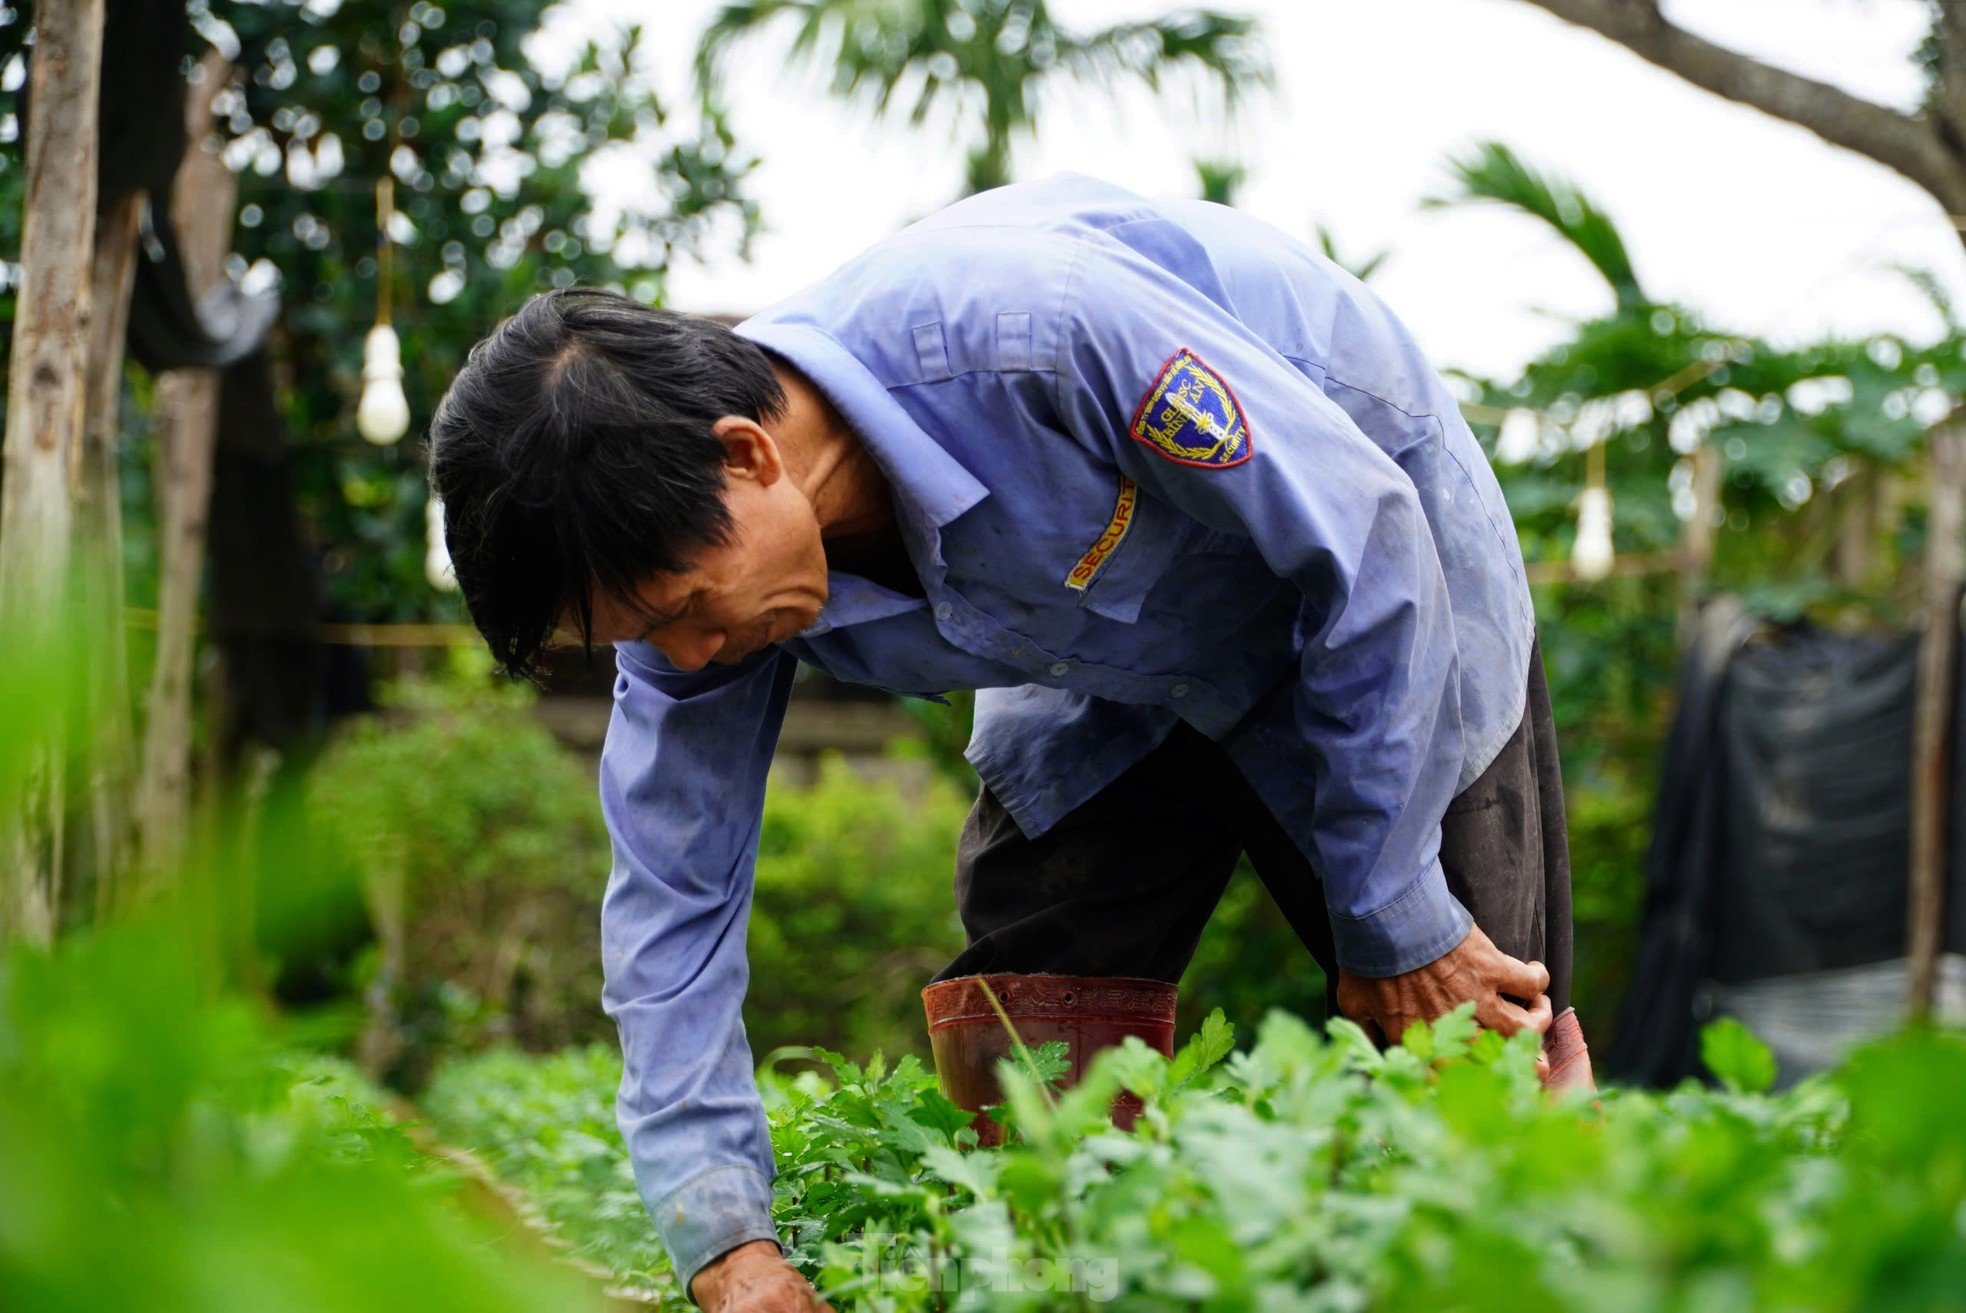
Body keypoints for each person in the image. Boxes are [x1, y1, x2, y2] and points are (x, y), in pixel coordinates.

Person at [430, 174, 1584, 1313]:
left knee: (1471, 1032)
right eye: (639, 637)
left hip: (1377, 593)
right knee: (1027, 1031)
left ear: (746, 455)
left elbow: (1364, 545)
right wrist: (721, 1239)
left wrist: (1386, 909)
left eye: (682, 606)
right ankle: (1070, 1280)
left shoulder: (1038, 332)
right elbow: (669, 906)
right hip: (1093, 665)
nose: (684, 654)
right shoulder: (685, 608)